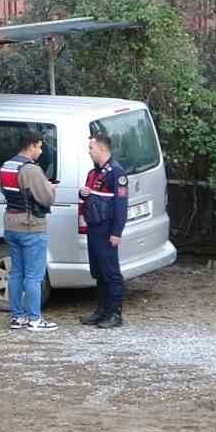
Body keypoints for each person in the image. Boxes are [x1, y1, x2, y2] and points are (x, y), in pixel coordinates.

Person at [0, 132, 58, 332]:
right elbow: (46, 198)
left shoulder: (6, 166)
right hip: (31, 226)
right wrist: (50, 187)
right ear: (31, 146)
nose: (40, 152)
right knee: (34, 276)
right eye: (39, 147)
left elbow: (5, 190)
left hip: (11, 225)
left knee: (16, 273)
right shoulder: (31, 169)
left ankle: (17, 317)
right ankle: (34, 319)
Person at [79, 132, 130, 329]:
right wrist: (82, 194)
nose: (89, 151)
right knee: (98, 271)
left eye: (91, 147)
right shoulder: (94, 173)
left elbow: (120, 205)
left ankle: (115, 313)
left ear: (101, 148)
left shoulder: (116, 173)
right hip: (94, 227)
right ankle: (101, 311)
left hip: (107, 228)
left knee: (111, 272)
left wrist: (117, 232)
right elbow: (91, 197)